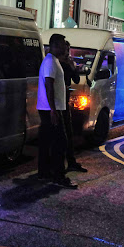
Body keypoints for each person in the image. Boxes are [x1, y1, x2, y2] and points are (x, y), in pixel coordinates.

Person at [36, 33, 77, 189]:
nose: (63, 46)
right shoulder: (50, 63)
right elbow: (48, 85)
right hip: (51, 109)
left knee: (47, 142)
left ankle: (44, 172)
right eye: (61, 44)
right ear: (54, 45)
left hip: (50, 108)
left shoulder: (53, 61)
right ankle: (59, 176)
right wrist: (54, 109)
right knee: (60, 142)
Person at [59, 41, 87, 173]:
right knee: (62, 134)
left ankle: (71, 161)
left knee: (69, 132)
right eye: (65, 49)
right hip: (58, 100)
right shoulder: (56, 62)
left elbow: (76, 80)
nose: (67, 52)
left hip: (66, 99)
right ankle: (60, 165)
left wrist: (73, 67)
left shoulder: (68, 63)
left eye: (68, 49)